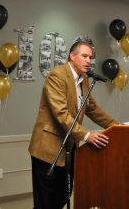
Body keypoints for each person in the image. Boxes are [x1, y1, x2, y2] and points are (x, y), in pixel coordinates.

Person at [28, 41, 118, 209]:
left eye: (90, 57)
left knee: (64, 194)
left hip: (68, 149)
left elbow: (93, 109)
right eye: (84, 56)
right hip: (47, 149)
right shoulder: (57, 75)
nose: (88, 61)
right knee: (45, 201)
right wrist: (86, 135)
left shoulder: (83, 80)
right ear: (72, 55)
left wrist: (118, 127)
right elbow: (61, 114)